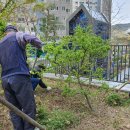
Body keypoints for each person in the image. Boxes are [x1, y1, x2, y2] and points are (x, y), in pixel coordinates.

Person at [0, 25, 43, 130]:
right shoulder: (18, 35)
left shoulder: (0, 43)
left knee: (14, 110)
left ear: (6, 32)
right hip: (19, 77)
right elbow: (33, 39)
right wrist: (39, 46)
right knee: (28, 108)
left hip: (5, 80)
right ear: (15, 30)